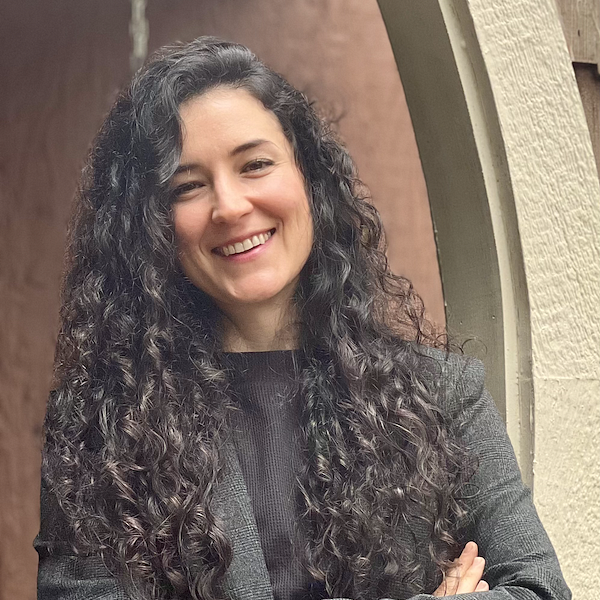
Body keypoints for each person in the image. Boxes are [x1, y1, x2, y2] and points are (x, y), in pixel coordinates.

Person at [36, 37, 570, 600]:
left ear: (310, 182)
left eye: (256, 165)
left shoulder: (443, 398)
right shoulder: (104, 427)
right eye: (187, 186)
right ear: (151, 227)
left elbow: (541, 589)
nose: (231, 206)